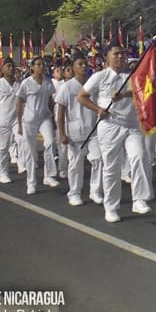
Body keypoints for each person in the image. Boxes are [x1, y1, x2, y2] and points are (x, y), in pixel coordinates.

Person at [77, 42, 153, 222]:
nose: (120, 57)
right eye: (116, 54)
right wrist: (98, 109)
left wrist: (124, 95)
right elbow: (81, 97)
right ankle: (111, 207)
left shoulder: (133, 75)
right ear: (107, 57)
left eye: (123, 54)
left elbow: (144, 92)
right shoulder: (100, 76)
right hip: (110, 125)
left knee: (139, 156)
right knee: (111, 167)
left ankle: (139, 199)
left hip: (132, 125)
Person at [56, 52, 101, 206]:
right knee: (75, 164)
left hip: (93, 130)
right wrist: (62, 133)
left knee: (98, 159)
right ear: (73, 68)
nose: (83, 66)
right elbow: (60, 113)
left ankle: (95, 191)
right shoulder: (67, 87)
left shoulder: (92, 85)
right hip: (75, 132)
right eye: (80, 64)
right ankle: (74, 193)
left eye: (85, 64)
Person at [16, 56, 59, 194]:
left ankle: (49, 176)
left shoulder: (48, 82)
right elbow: (19, 102)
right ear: (32, 67)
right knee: (30, 151)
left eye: (43, 64)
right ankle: (31, 182)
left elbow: (51, 101)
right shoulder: (26, 83)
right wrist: (19, 123)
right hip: (29, 120)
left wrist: (53, 120)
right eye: (38, 64)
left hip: (45, 117)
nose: (41, 67)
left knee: (50, 142)